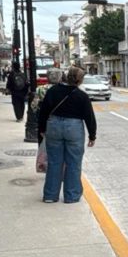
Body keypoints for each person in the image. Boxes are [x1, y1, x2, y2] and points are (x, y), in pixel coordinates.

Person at [38, 66, 96, 204]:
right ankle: (71, 196)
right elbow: (89, 117)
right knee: (73, 163)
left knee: (54, 162)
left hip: (54, 126)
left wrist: (42, 128)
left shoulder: (53, 91)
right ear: (80, 80)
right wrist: (92, 135)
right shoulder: (82, 96)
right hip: (74, 128)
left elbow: (43, 111)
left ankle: (50, 195)